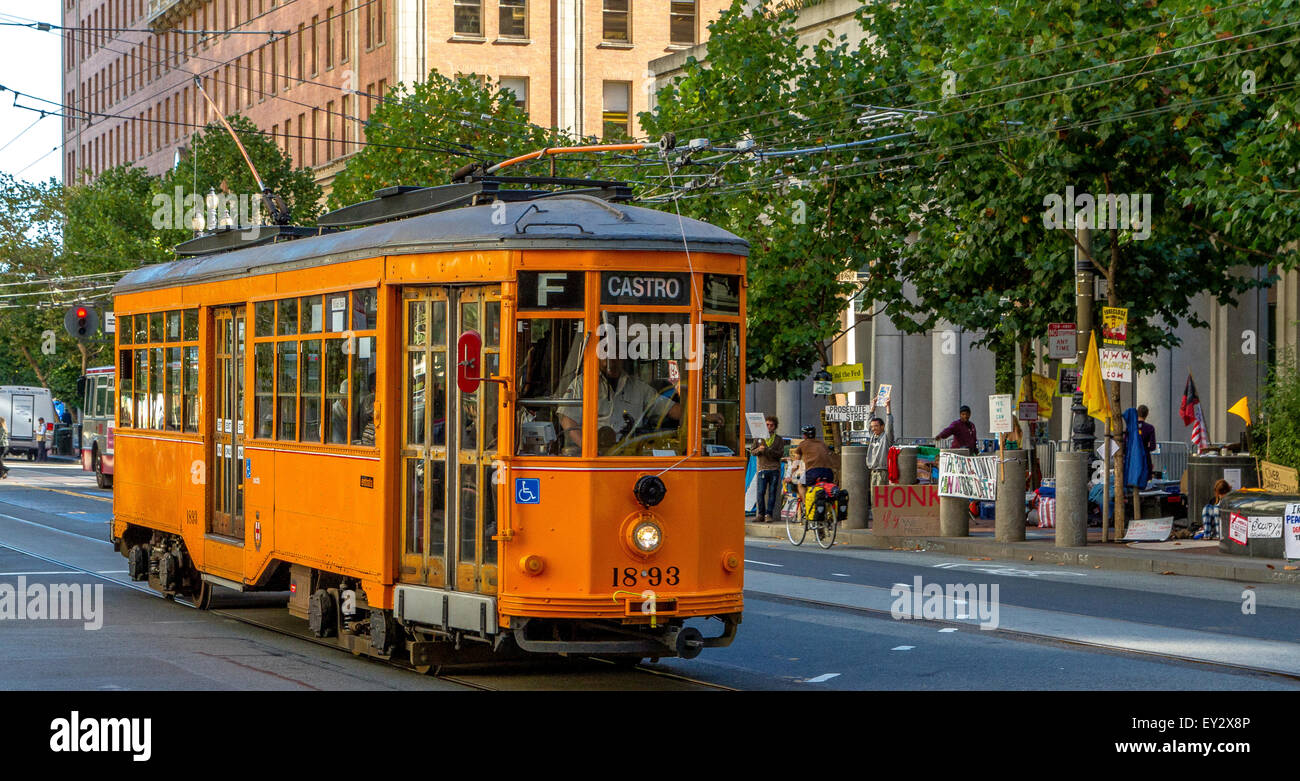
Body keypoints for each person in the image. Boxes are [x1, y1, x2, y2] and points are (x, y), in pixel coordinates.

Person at [557, 357, 681, 454]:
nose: (610, 362)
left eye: (616, 355)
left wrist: (693, 414)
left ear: (622, 357)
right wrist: (589, 449)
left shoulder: (638, 387)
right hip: (595, 457)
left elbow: (670, 409)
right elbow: (568, 420)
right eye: (606, 356)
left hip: (630, 455)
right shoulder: (582, 384)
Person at [749, 415, 785, 523]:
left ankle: (769, 514)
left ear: (775, 426)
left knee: (772, 492)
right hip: (762, 468)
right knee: (760, 492)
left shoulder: (778, 439)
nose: (769, 427)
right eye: (767, 425)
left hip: (774, 469)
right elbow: (752, 451)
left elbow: (780, 454)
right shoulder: (759, 438)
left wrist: (768, 450)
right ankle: (761, 514)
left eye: (771, 425)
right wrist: (759, 450)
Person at [865, 400, 895, 493]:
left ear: (882, 426)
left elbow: (889, 426)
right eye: (873, 426)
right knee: (873, 496)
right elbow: (868, 422)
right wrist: (873, 406)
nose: (874, 428)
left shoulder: (886, 437)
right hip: (873, 470)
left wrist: (888, 407)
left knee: (881, 496)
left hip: (883, 471)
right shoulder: (873, 435)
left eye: (876, 426)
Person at [1136, 404, 1156, 477]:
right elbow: (1153, 446)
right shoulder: (1149, 428)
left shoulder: (1131, 427)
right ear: (1147, 414)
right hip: (1144, 457)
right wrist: (1147, 447)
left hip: (1132, 458)